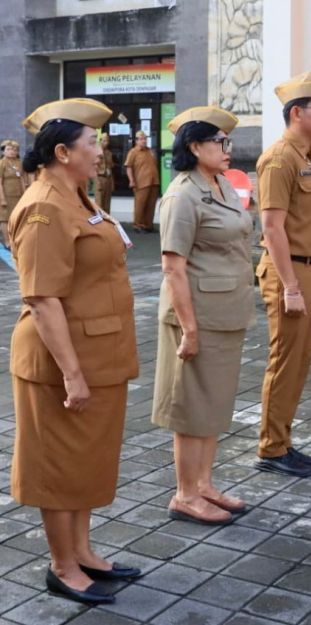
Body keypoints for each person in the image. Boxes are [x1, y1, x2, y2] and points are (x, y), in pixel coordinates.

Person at [9, 98, 140, 605]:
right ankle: (62, 565)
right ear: (62, 152)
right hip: (61, 360)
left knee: (88, 460)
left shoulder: (80, 198)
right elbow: (42, 299)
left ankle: (84, 551)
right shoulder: (44, 205)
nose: (101, 152)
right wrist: (72, 374)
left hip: (97, 350)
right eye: (93, 144)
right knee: (60, 465)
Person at [151, 106, 255, 524]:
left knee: (214, 403)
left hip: (226, 312)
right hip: (195, 316)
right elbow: (173, 267)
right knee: (192, 408)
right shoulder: (182, 194)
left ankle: (205, 484)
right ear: (195, 146)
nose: (227, 149)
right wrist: (189, 330)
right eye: (220, 142)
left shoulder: (222, 185)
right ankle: (184, 494)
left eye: (227, 142)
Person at [255, 71, 311, 477]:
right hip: (290, 273)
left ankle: (283, 441)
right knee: (285, 362)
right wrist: (289, 286)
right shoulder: (279, 158)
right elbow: (272, 228)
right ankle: (270, 448)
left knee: (300, 361)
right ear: (297, 112)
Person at [125, 130, 159, 232]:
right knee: (140, 204)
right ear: (136, 141)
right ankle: (138, 225)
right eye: (141, 139)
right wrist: (131, 180)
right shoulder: (133, 152)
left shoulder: (150, 151)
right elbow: (129, 167)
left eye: (145, 139)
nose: (144, 141)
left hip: (154, 182)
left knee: (151, 205)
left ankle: (148, 225)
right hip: (141, 183)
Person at [1, 139, 27, 248]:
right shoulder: (2, 163)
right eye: (9, 149)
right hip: (6, 195)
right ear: (3, 151)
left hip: (19, 195)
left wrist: (25, 194)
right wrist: (2, 198)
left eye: (14, 149)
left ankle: (16, 239)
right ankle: (7, 241)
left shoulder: (19, 163)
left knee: (18, 217)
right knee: (4, 219)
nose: (12, 151)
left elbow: (22, 179)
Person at [93, 132, 114, 212]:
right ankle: (99, 223)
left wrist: (112, 183)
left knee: (107, 203)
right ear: (100, 141)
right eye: (104, 141)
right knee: (99, 203)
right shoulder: (95, 152)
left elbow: (110, 168)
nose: (106, 143)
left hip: (108, 179)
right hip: (99, 177)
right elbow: (94, 167)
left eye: (107, 141)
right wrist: (97, 182)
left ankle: (107, 222)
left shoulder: (109, 153)